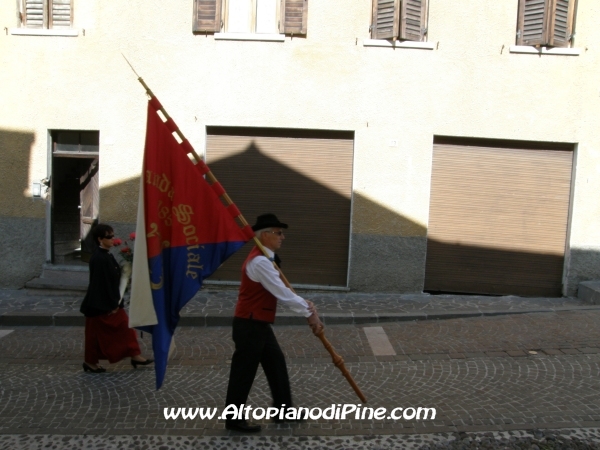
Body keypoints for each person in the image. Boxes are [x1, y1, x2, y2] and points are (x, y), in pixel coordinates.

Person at [224, 213, 324, 433]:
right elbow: (281, 293)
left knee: (276, 363)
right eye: (278, 233)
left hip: (257, 323)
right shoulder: (260, 262)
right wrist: (309, 313)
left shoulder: (264, 258)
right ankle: (233, 419)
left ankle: (283, 410)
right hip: (249, 325)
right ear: (265, 235)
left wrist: (305, 305)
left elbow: (282, 290)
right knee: (244, 371)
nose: (282, 237)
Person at [80, 223, 153, 373]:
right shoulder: (99, 258)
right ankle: (90, 362)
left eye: (113, 236)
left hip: (107, 302)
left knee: (124, 327)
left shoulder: (106, 255)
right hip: (100, 305)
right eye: (109, 236)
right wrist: (113, 304)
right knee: (95, 335)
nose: (113, 239)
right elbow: (101, 284)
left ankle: (135, 355)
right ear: (100, 239)